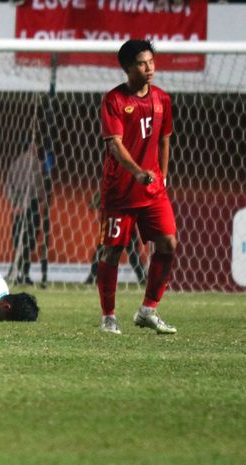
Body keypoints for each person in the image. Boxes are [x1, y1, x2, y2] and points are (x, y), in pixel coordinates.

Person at [97, 39, 177, 335]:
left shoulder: (162, 100)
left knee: (168, 243)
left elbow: (165, 139)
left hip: (153, 188)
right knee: (112, 252)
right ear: (128, 67)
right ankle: (108, 317)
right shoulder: (114, 100)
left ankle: (148, 310)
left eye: (152, 62)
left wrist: (163, 176)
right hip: (120, 191)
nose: (150, 68)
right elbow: (115, 146)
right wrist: (138, 172)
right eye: (143, 63)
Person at [6, 139, 46, 285]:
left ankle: (16, 272)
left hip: (18, 206)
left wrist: (14, 203)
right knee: (30, 241)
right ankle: (24, 273)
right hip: (31, 206)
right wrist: (41, 198)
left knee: (19, 242)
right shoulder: (35, 163)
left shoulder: (15, 163)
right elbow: (39, 187)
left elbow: (8, 185)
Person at [85, 191, 146, 285]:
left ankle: (143, 279)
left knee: (132, 255)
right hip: (118, 224)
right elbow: (94, 203)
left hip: (122, 225)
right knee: (102, 252)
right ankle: (93, 277)